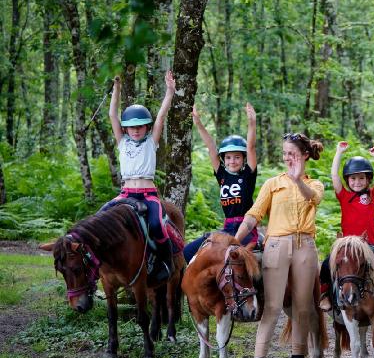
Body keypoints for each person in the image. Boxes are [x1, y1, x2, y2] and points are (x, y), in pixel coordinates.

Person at [234, 133, 325, 358]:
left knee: (303, 306)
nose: (287, 158)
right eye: (285, 154)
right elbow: (254, 216)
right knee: (273, 306)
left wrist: (297, 181)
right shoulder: (273, 184)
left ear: (305, 155)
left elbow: (313, 199)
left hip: (305, 246)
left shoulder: (315, 183)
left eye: (292, 154)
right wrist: (235, 241)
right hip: (276, 244)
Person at [101, 70, 176, 282]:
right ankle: (99, 266)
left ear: (146, 128)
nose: (135, 130)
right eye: (131, 127)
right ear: (125, 130)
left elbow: (161, 115)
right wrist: (117, 89)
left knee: (157, 225)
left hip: (148, 195)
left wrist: (169, 91)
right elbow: (112, 115)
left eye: (140, 126)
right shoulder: (122, 142)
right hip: (126, 194)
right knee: (100, 218)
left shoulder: (152, 142)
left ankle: (165, 262)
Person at [319, 142, 374, 316]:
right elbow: (334, 175)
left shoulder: (372, 195)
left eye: (361, 178)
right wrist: (338, 152)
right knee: (325, 266)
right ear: (348, 180)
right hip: (347, 246)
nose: (357, 182)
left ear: (368, 180)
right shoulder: (344, 195)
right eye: (353, 178)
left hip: (369, 244)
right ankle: (325, 296)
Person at [182, 103, 259, 264]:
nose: (232, 161)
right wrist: (198, 124)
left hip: (246, 230)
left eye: (237, 157)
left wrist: (252, 123)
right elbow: (211, 148)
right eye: (228, 157)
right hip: (227, 228)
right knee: (187, 252)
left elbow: (251, 147)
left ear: (243, 159)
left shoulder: (247, 175)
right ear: (223, 159)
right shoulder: (222, 175)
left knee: (236, 262)